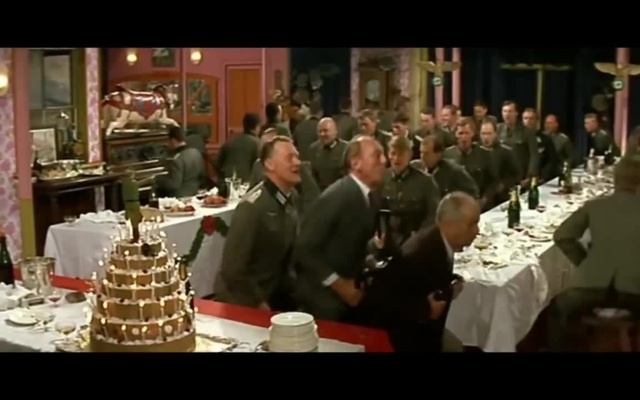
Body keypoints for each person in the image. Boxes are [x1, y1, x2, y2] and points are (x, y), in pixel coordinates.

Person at [361, 192, 481, 352]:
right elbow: (386, 301)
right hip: (406, 341)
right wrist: (425, 309)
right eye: (472, 224)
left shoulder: (439, 240)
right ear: (450, 225)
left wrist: (450, 283)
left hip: (426, 332)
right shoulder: (418, 255)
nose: (477, 231)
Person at [549, 155, 640, 351]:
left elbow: (562, 236)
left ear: (615, 179)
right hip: (635, 292)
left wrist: (584, 261)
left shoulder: (595, 206)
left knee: (558, 308)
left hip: (590, 287)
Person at [295, 135, 386, 322]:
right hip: (323, 297)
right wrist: (340, 285)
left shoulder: (370, 196)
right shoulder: (339, 195)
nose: (384, 161)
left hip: (351, 292)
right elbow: (305, 248)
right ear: (356, 163)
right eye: (377, 155)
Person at [214, 136, 301, 311]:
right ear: (269, 164)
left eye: (297, 157)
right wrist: (259, 304)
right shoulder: (252, 206)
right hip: (241, 299)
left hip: (272, 292)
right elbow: (233, 270)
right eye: (290, 158)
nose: (298, 162)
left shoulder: (292, 197)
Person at [381, 135, 440, 248]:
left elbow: (433, 215)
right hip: (388, 240)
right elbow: (377, 212)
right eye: (393, 153)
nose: (396, 158)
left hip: (417, 240)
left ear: (410, 155)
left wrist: (419, 237)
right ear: (388, 154)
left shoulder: (425, 181)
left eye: (401, 154)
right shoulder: (381, 178)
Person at [249, 129, 320, 214]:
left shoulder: (294, 192)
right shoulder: (252, 206)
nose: (297, 162)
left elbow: (313, 200)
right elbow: (251, 190)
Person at [443, 117, 498, 209]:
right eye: (460, 133)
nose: (464, 137)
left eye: (467, 133)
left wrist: (484, 199)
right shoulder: (447, 155)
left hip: (478, 204)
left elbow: (493, 182)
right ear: (455, 134)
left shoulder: (484, 154)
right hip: (456, 205)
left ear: (472, 134)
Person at [411, 135, 479, 199]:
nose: (422, 157)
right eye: (421, 152)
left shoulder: (454, 171)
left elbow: (473, 191)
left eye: (427, 153)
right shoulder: (415, 168)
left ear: (438, 154)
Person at [155, 126, 206, 198]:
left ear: (173, 140)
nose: (168, 144)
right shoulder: (196, 152)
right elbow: (202, 176)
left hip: (180, 197)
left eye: (168, 141)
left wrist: (156, 180)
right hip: (194, 194)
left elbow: (174, 184)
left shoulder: (177, 158)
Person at [497, 101, 539, 185]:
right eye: (504, 111)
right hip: (502, 176)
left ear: (516, 113)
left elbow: (534, 155)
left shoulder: (527, 131)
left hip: (520, 176)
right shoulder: (498, 129)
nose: (507, 114)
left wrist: (530, 176)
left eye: (510, 111)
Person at [479, 118, 520, 204]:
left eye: (489, 133)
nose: (486, 137)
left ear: (495, 134)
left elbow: (516, 175)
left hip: (499, 199)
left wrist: (503, 184)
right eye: (483, 133)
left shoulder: (506, 152)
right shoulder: (475, 151)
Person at [216, 112, 261, 183]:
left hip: (227, 182)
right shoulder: (258, 144)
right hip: (246, 184)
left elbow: (218, 162)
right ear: (257, 127)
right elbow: (260, 167)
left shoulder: (230, 141)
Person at [308, 117, 348, 191]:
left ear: (335, 131)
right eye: (320, 131)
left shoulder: (346, 148)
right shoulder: (313, 148)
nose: (322, 134)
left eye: (325, 131)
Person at [522, 108, 559, 183]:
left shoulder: (545, 139)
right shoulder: (517, 138)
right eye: (525, 118)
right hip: (521, 178)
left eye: (531, 118)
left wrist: (543, 177)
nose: (528, 121)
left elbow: (552, 160)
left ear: (537, 121)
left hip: (539, 178)